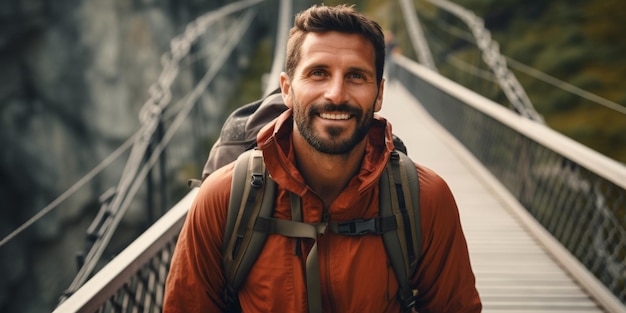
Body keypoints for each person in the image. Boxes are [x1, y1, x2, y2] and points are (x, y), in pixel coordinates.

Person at [164, 4, 481, 312]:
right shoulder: (223, 198)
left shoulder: (425, 200)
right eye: (318, 73)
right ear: (286, 89)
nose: (336, 94)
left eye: (356, 76)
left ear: (380, 93)